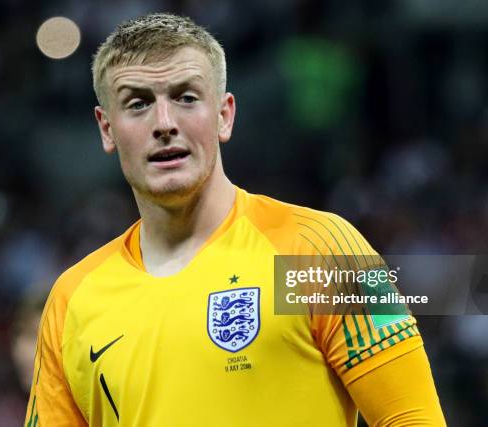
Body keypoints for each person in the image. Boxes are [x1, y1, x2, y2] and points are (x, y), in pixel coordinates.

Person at [24, 13, 445, 426]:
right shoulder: (70, 300)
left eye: (186, 98)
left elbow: (415, 419)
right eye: (138, 104)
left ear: (225, 115)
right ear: (107, 129)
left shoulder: (328, 250)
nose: (165, 124)